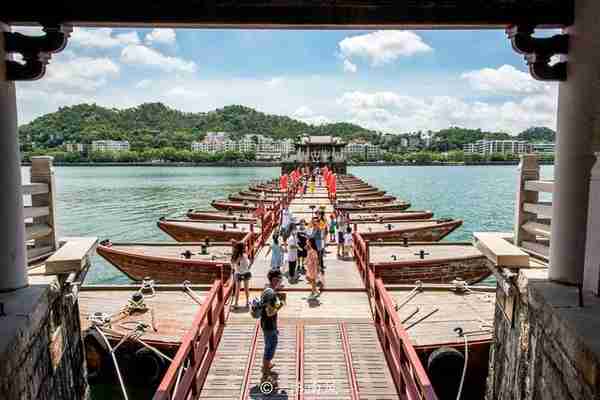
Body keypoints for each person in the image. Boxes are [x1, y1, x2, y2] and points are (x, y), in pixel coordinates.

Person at [261, 269, 286, 374]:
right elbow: (270, 312)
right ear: (275, 280)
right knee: (271, 346)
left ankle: (267, 364)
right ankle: (265, 368)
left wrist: (279, 300)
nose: (281, 282)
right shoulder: (271, 293)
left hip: (266, 323)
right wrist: (281, 304)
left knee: (269, 344)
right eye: (280, 279)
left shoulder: (267, 289)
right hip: (269, 324)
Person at [231, 240, 251, 309]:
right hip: (245, 272)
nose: (246, 247)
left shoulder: (237, 254)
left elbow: (233, 264)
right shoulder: (243, 255)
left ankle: (236, 303)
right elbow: (247, 263)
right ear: (242, 248)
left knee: (237, 289)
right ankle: (247, 302)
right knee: (246, 288)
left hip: (238, 273)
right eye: (245, 247)